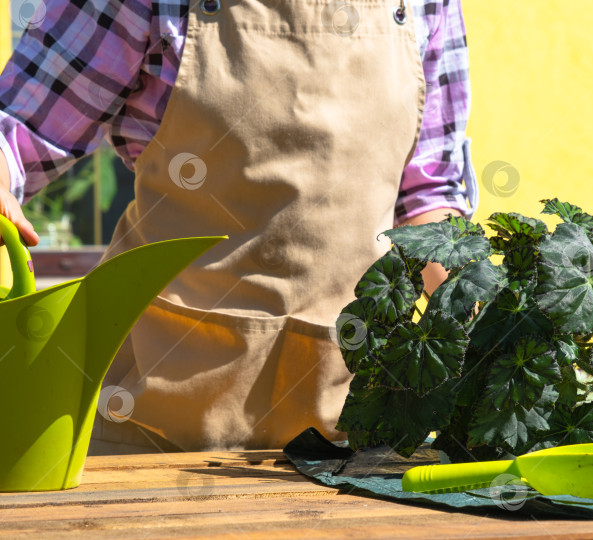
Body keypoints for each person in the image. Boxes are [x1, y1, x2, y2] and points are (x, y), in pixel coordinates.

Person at [0, 0, 476, 453]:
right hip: (149, 422)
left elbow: (427, 203)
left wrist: (487, 332)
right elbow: (21, 124)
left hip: (348, 434)